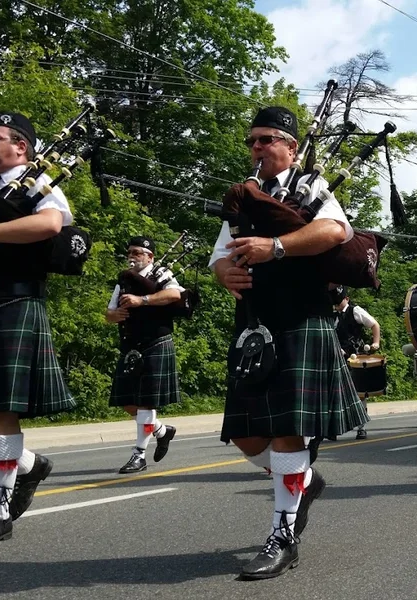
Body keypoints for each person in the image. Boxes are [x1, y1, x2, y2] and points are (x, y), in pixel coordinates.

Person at [210, 106, 367, 579]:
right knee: (244, 433)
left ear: (291, 147)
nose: (257, 147)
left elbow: (336, 231)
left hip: (301, 317)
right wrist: (226, 273)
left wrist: (275, 247)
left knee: (286, 433)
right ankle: (304, 481)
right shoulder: (245, 195)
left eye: (267, 139)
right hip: (255, 321)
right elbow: (219, 255)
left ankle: (282, 534)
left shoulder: (312, 189)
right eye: (252, 140)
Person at [0, 112, 75, 547]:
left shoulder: (36, 186)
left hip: (15, 303)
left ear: (21, 146)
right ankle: (30, 465)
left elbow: (51, 225)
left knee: (2, 411)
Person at [105, 236, 182, 473]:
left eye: (137, 252)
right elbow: (108, 313)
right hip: (131, 346)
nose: (132, 256)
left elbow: (175, 295)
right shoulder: (124, 280)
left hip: (156, 342)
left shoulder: (161, 273)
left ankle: (139, 455)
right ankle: (161, 430)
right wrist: (114, 315)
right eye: (130, 251)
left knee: (146, 403)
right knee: (128, 403)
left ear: (150, 256)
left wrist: (143, 300)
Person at [330, 285, 381, 440]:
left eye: (339, 301)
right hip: (337, 357)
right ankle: (333, 428)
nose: (337, 304)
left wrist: (376, 342)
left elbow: (374, 324)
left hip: (355, 356)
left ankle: (361, 427)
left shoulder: (355, 311)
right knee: (334, 392)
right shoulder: (331, 315)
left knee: (359, 392)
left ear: (347, 298)